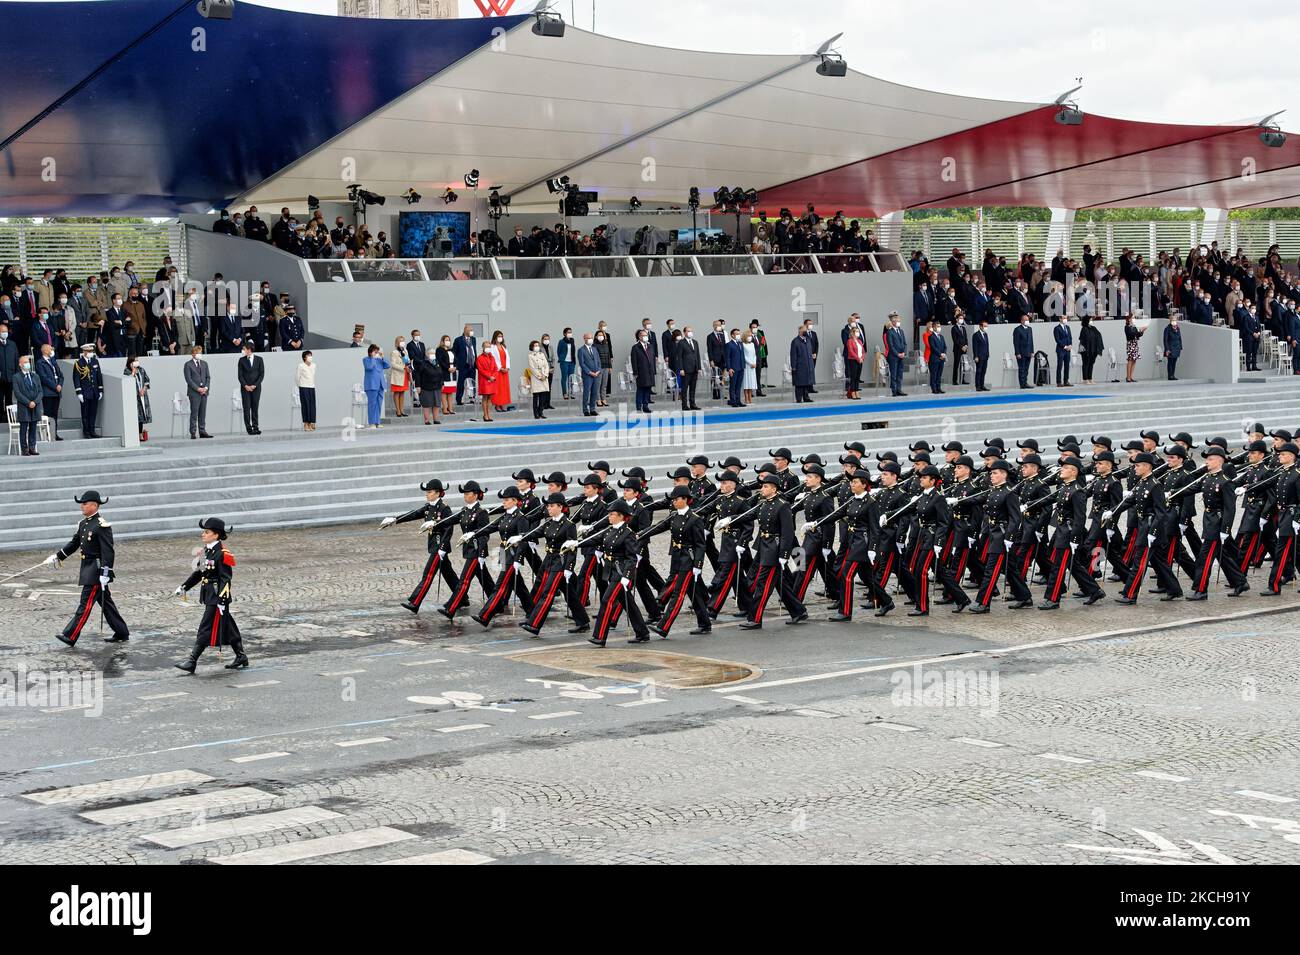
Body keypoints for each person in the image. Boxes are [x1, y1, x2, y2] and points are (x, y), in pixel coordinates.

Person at [43, 491, 131, 645]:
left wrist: (105, 572)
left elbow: (108, 551)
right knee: (106, 603)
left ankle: (71, 635)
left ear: (94, 505)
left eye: (85, 503)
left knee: (85, 603)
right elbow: (74, 544)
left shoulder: (101, 525)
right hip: (88, 569)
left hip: (96, 571)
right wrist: (58, 556)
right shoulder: (83, 524)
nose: (81, 506)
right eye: (81, 504)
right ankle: (122, 632)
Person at [173, 518, 249, 672]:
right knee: (228, 625)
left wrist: (222, 600)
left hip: (217, 597)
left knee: (205, 627)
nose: (203, 534)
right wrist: (184, 587)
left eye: (206, 532)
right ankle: (241, 655)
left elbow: (226, 578)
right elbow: (201, 573)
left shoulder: (223, 554)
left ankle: (192, 661)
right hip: (209, 595)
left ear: (216, 535)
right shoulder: (208, 550)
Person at [380, 479, 459, 613]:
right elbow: (413, 514)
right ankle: (462, 598)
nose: (426, 494)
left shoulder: (444, 509)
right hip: (434, 545)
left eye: (429, 492)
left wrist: (443, 548)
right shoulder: (428, 507)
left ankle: (415, 602)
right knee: (448, 574)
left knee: (428, 575)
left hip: (439, 547)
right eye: (426, 492)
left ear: (438, 493)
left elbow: (449, 529)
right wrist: (395, 519)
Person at [71, 342, 103, 438]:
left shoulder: (95, 361)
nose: (91, 353)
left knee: (93, 413)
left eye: (91, 351)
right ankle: (86, 432)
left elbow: (98, 376)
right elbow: (76, 379)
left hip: (94, 392)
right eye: (89, 351)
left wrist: (100, 390)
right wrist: (79, 393)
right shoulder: (78, 363)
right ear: (84, 352)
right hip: (85, 393)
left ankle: (92, 431)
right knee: (85, 413)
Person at [13, 353, 42, 456]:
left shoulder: (35, 376)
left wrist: (35, 401)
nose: (27, 364)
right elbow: (17, 393)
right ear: (20, 365)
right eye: (25, 362)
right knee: (24, 429)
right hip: (24, 406)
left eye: (28, 362)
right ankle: (24, 449)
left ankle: (32, 448)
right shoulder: (16, 377)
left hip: (35, 406)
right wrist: (28, 402)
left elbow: (40, 391)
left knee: (33, 428)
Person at [35, 343, 64, 441]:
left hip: (56, 392)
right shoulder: (40, 363)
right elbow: (44, 378)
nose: (52, 350)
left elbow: (60, 375)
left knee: (55, 414)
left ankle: (54, 433)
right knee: (48, 414)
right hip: (48, 392)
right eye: (50, 349)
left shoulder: (53, 361)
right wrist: (55, 386)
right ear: (45, 351)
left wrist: (60, 384)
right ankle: (48, 433)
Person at [183, 345, 212, 439]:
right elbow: (188, 379)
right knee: (194, 412)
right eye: (197, 353)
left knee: (202, 413)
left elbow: (208, 377)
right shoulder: (188, 365)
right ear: (193, 354)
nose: (199, 354)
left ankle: (202, 431)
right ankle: (193, 432)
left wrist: (206, 388)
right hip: (194, 392)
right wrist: (198, 389)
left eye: (200, 352)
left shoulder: (204, 363)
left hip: (204, 392)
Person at [237, 342, 263, 435]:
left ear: (249, 349)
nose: (243, 351)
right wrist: (246, 386)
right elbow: (240, 376)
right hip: (245, 388)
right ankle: (249, 428)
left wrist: (255, 385)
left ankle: (256, 427)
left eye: (244, 349)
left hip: (256, 388)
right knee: (246, 408)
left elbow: (261, 374)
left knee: (255, 407)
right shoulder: (241, 360)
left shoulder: (259, 359)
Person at [362, 343, 389, 429]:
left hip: (381, 385)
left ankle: (377, 422)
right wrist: (373, 358)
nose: (377, 353)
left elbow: (387, 365)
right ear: (370, 352)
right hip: (371, 385)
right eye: (375, 351)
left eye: (377, 351)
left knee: (378, 404)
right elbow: (369, 367)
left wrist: (382, 357)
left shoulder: (379, 360)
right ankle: (371, 423)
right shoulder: (366, 360)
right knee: (372, 404)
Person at [125, 355, 151, 442]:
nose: (137, 362)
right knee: (134, 416)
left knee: (141, 416)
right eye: (135, 361)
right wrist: (133, 372)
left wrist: (144, 389)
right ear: (130, 362)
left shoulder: (141, 370)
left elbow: (147, 381)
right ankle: (133, 435)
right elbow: (127, 381)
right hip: (133, 397)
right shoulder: (127, 371)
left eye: (137, 360)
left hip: (142, 396)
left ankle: (140, 435)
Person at [631, 328, 655, 414]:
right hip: (641, 372)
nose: (646, 337)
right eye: (644, 336)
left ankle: (645, 406)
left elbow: (652, 359)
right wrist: (635, 372)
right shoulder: (635, 347)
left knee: (648, 389)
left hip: (650, 371)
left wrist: (653, 370)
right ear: (640, 337)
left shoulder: (650, 346)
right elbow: (634, 361)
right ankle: (638, 407)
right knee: (641, 389)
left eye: (646, 335)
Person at [884, 311, 907, 396]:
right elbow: (891, 345)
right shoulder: (889, 332)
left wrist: (904, 352)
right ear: (893, 322)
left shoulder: (901, 331)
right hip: (893, 356)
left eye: (899, 321)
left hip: (901, 355)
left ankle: (899, 389)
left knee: (900, 374)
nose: (898, 322)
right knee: (893, 374)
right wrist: (897, 354)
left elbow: (905, 343)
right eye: (897, 321)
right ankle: (894, 390)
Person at [452, 324, 476, 406]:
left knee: (472, 382)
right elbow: (454, 353)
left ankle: (472, 398)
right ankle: (459, 399)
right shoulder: (458, 340)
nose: (472, 331)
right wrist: (457, 364)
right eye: (470, 330)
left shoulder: (473, 339)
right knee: (461, 382)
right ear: (465, 330)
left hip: (472, 364)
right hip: (463, 365)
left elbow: (473, 351)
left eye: (472, 330)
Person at [489, 331, 513, 413]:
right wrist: (500, 368)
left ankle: (503, 405)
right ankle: (497, 405)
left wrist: (507, 368)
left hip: (505, 371)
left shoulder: (504, 347)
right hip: (497, 371)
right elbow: (493, 359)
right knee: (498, 388)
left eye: (501, 336)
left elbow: (508, 358)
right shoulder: (492, 347)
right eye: (499, 336)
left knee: (504, 388)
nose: (500, 337)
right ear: (495, 337)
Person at [790, 325, 815, 402]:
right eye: (804, 330)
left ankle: (806, 397)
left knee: (807, 382)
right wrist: (793, 366)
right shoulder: (795, 341)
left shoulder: (808, 340)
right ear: (800, 331)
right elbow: (793, 355)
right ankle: (799, 398)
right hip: (800, 365)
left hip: (808, 365)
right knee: (799, 383)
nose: (806, 332)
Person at [578, 333, 601, 416]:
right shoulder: (581, 350)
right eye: (588, 338)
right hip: (588, 375)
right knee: (586, 393)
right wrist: (590, 372)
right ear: (584, 339)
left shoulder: (594, 349)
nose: (590, 339)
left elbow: (598, 361)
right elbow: (582, 364)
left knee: (595, 392)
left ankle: (592, 409)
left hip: (596, 374)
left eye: (591, 338)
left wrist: (598, 370)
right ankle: (585, 410)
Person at [526, 339, 550, 419]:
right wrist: (540, 376)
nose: (537, 347)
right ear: (532, 347)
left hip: (544, 377)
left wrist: (545, 375)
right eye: (535, 346)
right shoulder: (530, 356)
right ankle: (535, 413)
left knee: (543, 396)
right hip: (536, 378)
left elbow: (546, 365)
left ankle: (541, 412)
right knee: (536, 396)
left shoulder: (542, 354)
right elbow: (532, 368)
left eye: (538, 345)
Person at [475, 341, 498, 422]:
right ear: (483, 348)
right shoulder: (480, 358)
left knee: (490, 398)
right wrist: (489, 376)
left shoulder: (492, 357)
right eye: (486, 346)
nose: (488, 348)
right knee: (485, 397)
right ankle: (485, 415)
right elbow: (481, 370)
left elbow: (495, 368)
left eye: (489, 346)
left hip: (492, 380)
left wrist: (493, 376)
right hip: (484, 380)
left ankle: (489, 414)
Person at [295, 350, 316, 431]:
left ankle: (311, 422)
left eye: (311, 355)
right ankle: (306, 423)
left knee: (312, 405)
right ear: (304, 357)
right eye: (308, 355)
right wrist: (300, 385)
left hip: (312, 387)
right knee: (305, 405)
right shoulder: (300, 366)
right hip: (303, 387)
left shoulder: (314, 365)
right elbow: (297, 378)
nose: (310, 357)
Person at [390, 335, 411, 417]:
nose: (402, 343)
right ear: (397, 343)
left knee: (402, 392)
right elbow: (393, 364)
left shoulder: (405, 351)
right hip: (398, 374)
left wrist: (409, 366)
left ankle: (402, 410)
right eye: (400, 341)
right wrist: (403, 367)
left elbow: (407, 361)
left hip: (405, 374)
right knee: (397, 392)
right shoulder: (394, 352)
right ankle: (398, 410)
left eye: (403, 341)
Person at [724, 328, 745, 407]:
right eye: (736, 334)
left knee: (739, 386)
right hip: (733, 368)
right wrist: (729, 368)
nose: (738, 335)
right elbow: (727, 358)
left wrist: (743, 366)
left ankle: (738, 400)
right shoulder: (729, 344)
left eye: (739, 334)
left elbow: (742, 355)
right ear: (732, 335)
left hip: (741, 367)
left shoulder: (740, 343)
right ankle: (733, 401)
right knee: (733, 385)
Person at [925, 319, 947, 394]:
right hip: (934, 358)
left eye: (939, 326)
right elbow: (933, 347)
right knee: (934, 374)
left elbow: (945, 346)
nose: (939, 328)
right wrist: (940, 354)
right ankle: (934, 388)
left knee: (939, 374)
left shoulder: (942, 336)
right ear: (934, 327)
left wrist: (943, 354)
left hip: (941, 359)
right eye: (937, 326)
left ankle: (938, 387)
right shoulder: (931, 337)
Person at [1013, 313, 1034, 389]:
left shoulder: (1029, 329)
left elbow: (1031, 341)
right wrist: (1017, 353)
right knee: (1022, 368)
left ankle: (1025, 382)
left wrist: (1032, 351)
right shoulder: (1017, 330)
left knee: (1026, 369)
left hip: (1028, 352)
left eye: (1028, 320)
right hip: (1021, 353)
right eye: (1025, 320)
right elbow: (1016, 342)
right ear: (1021, 321)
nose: (1027, 321)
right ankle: (1022, 384)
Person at [843, 325, 864, 399]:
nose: (858, 333)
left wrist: (862, 358)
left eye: (858, 331)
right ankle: (852, 391)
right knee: (853, 377)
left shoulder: (859, 341)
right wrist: (858, 358)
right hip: (853, 360)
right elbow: (851, 351)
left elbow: (863, 351)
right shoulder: (849, 341)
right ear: (852, 333)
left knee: (858, 377)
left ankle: (856, 390)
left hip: (860, 360)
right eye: (856, 331)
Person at [1053, 314, 1073, 386]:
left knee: (1067, 366)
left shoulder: (1067, 327)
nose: (1065, 320)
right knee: (1060, 366)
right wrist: (1065, 346)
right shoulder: (1057, 328)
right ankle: (1058, 382)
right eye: (1064, 318)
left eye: (1066, 318)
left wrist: (1070, 345)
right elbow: (1057, 340)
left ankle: (1066, 381)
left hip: (1068, 350)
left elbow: (1070, 337)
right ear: (1060, 319)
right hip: (1061, 350)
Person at [593, 329, 612, 406]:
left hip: (606, 366)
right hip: (599, 367)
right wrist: (596, 368)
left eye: (602, 335)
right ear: (596, 336)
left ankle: (603, 398)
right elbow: (595, 358)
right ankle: (598, 400)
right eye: (599, 335)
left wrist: (610, 367)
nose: (601, 336)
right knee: (598, 384)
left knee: (604, 384)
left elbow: (608, 356)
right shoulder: (594, 345)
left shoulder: (606, 344)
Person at [971, 318, 991, 391]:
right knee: (979, 371)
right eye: (985, 326)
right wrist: (976, 356)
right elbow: (975, 346)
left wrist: (988, 354)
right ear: (980, 326)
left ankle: (982, 385)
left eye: (986, 326)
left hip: (985, 356)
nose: (986, 328)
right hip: (979, 356)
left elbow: (987, 345)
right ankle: (978, 386)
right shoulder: (976, 335)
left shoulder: (986, 334)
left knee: (983, 371)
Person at [1124, 315, 1144, 382]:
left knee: (1134, 360)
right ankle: (1128, 377)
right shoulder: (1126, 327)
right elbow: (1130, 335)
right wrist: (1138, 331)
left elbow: (1138, 335)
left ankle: (1131, 376)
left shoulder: (1134, 327)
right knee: (1130, 359)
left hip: (1135, 344)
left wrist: (1142, 331)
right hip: (1130, 344)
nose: (1134, 319)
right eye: (1133, 318)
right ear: (1129, 319)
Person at [557, 327, 576, 400]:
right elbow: (559, 351)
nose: (570, 333)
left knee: (571, 378)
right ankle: (565, 393)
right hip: (564, 362)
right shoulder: (561, 341)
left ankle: (571, 392)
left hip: (572, 362)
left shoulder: (572, 340)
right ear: (564, 333)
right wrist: (562, 359)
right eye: (568, 332)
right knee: (564, 377)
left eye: (571, 332)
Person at [1163, 316, 1183, 380]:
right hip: (1170, 348)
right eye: (1173, 320)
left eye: (1175, 320)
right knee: (1170, 361)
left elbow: (1180, 338)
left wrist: (1180, 346)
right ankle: (1170, 375)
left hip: (1177, 347)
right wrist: (1167, 349)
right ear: (1170, 320)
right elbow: (1165, 340)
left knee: (1174, 362)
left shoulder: (1178, 328)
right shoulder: (1167, 329)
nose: (1174, 321)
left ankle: (1173, 375)